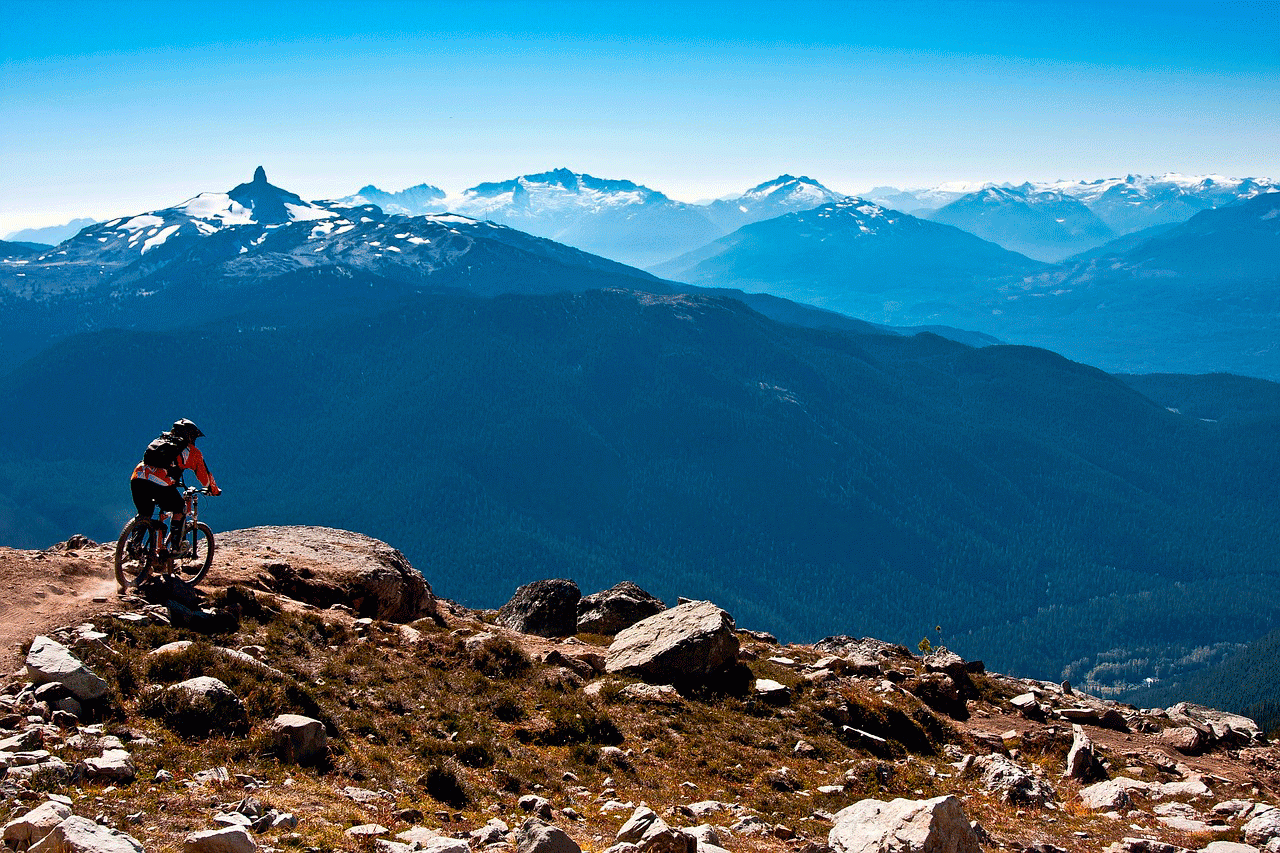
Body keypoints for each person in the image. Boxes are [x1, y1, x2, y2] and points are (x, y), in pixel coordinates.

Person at [130, 419, 221, 556]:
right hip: (159, 482)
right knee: (180, 508)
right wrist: (213, 490)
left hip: (138, 477)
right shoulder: (191, 451)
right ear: (190, 435)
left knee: (145, 512)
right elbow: (204, 476)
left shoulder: (160, 440)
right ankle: (176, 547)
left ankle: (134, 546)